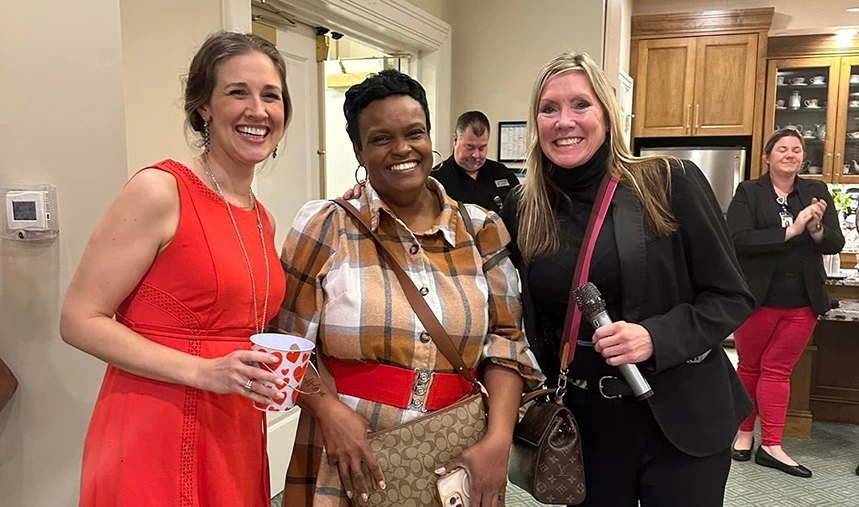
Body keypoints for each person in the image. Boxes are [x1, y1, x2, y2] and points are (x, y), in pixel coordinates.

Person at [273, 69, 543, 507]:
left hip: (458, 452)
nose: (401, 149)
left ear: (430, 138)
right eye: (381, 139)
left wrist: (498, 441)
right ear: (359, 150)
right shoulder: (326, 226)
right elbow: (286, 343)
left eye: (413, 133)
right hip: (350, 454)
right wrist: (326, 410)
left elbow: (507, 345)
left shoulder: (481, 229)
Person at [499, 51, 755, 507]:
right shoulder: (526, 208)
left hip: (680, 418)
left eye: (581, 104)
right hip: (586, 428)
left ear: (606, 114)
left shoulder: (667, 182)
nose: (564, 121)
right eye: (549, 108)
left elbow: (731, 296)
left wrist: (655, 336)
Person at [59, 32, 291, 507]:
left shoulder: (261, 217)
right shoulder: (160, 190)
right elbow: (79, 320)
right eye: (237, 92)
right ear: (204, 106)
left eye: (271, 95)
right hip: (153, 426)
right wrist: (203, 371)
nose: (258, 110)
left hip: (233, 428)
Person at [726, 128, 845, 478]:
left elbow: (833, 242)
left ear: (802, 158)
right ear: (767, 157)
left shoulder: (816, 192)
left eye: (796, 149)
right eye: (782, 149)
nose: (790, 155)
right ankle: (743, 434)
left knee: (778, 369)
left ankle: (772, 445)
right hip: (758, 299)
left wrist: (817, 228)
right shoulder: (750, 192)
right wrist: (790, 231)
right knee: (749, 367)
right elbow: (737, 238)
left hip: (802, 301)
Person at [433, 111, 520, 213]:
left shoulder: (502, 173)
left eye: (482, 148)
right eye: (470, 147)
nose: (476, 155)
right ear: (455, 140)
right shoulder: (436, 180)